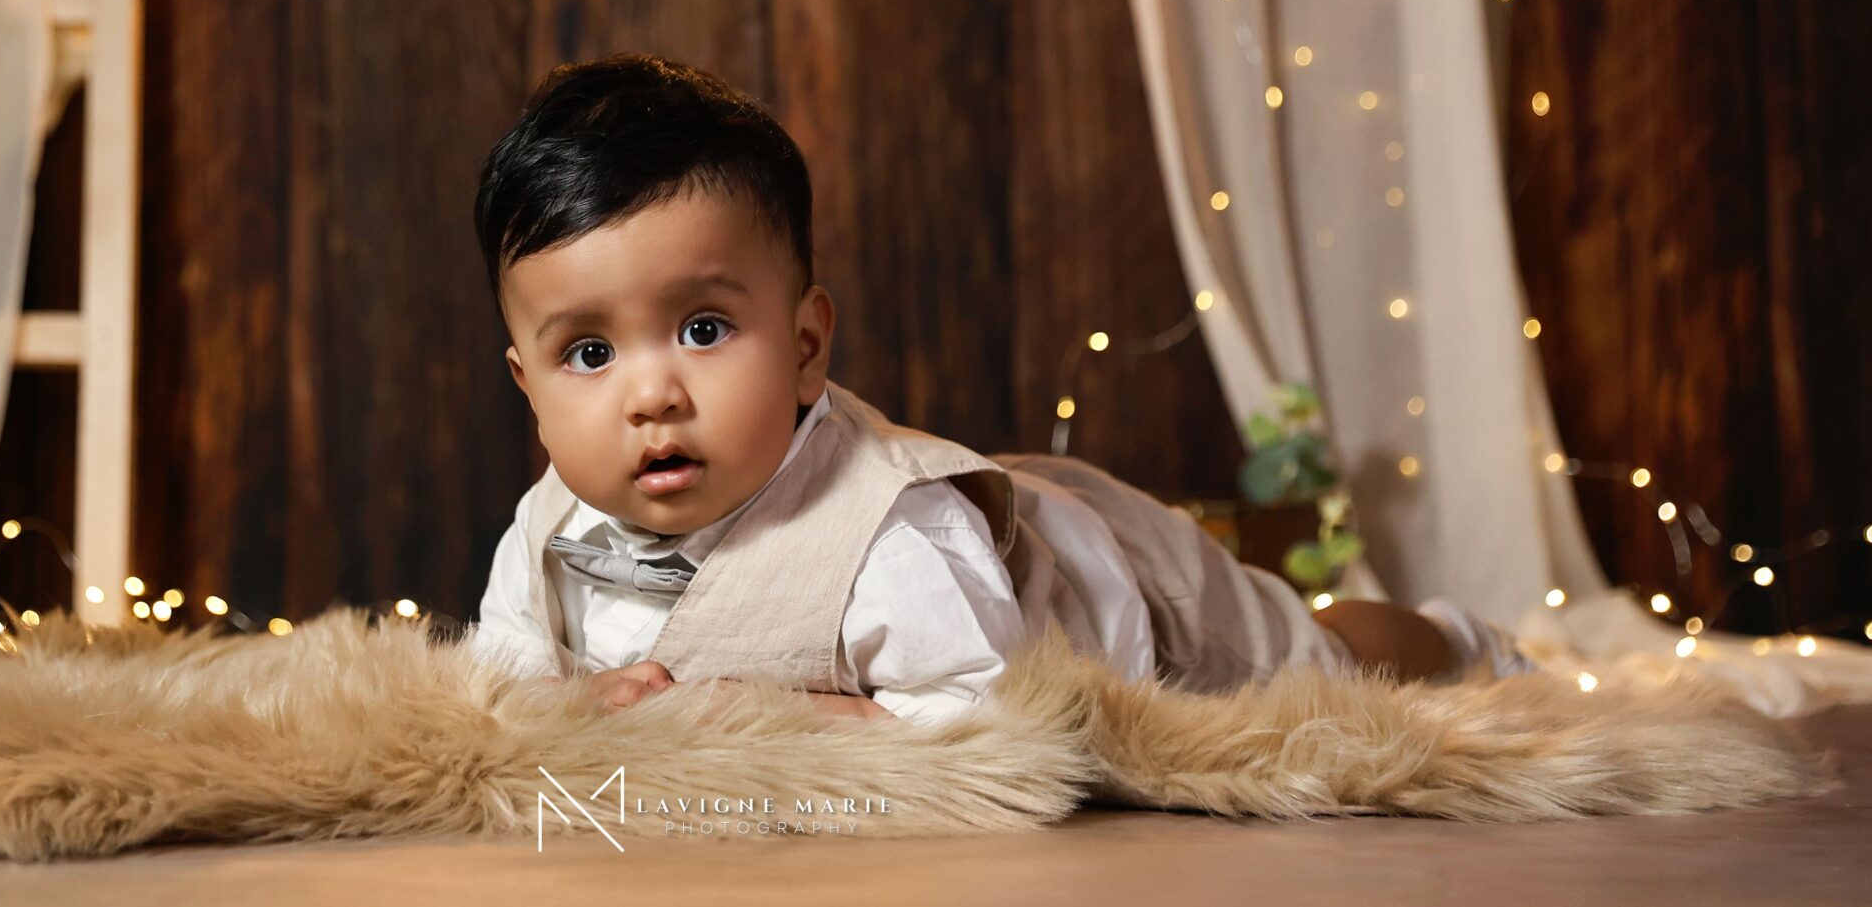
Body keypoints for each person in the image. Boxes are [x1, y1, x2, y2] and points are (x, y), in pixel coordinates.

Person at [466, 54, 1534, 724]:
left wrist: (791, 722)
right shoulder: (543, 535)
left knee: (1319, 664)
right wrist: (574, 707)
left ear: (804, 345)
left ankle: (1458, 639)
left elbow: (992, 729)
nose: (651, 394)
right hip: (992, 535)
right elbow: (498, 700)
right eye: (589, 354)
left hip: (1125, 595)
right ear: (527, 388)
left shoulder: (891, 545)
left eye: (703, 330)